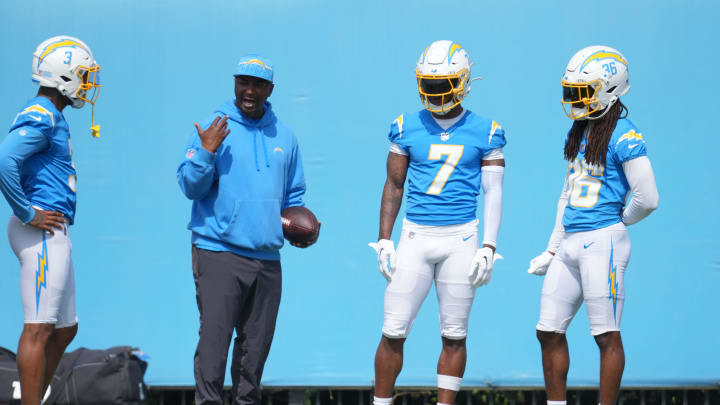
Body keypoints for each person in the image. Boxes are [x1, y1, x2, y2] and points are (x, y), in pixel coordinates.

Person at [369, 40, 505, 405]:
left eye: (443, 83)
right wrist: (384, 239)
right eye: (429, 83)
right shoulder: (405, 126)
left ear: (462, 81)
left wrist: (489, 246)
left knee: (454, 334)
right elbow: (394, 184)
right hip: (415, 235)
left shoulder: (486, 130)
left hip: (461, 237)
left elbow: (493, 192)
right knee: (392, 330)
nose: (435, 92)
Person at [177, 54, 317, 405]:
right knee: (214, 345)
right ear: (235, 83)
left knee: (254, 354)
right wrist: (206, 153)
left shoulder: (284, 134)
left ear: (271, 89)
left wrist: (299, 227)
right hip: (219, 251)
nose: (249, 90)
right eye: (243, 82)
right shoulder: (215, 126)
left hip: (267, 259)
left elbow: (294, 196)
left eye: (258, 84)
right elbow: (190, 186)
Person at [527, 46, 659, 405]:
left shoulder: (625, 134)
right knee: (548, 331)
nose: (575, 99)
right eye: (572, 90)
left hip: (602, 241)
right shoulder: (581, 130)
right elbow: (566, 195)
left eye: (583, 91)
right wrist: (551, 247)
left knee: (606, 334)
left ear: (610, 89)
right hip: (570, 241)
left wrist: (616, 221)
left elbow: (648, 197)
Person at [0, 36, 101, 404]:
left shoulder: (51, 114)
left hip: (53, 229)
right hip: (41, 229)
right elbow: (4, 160)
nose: (87, 83)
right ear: (64, 75)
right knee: (39, 328)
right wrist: (28, 212)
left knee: (65, 329)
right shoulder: (42, 113)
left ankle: (36, 397)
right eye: (83, 75)